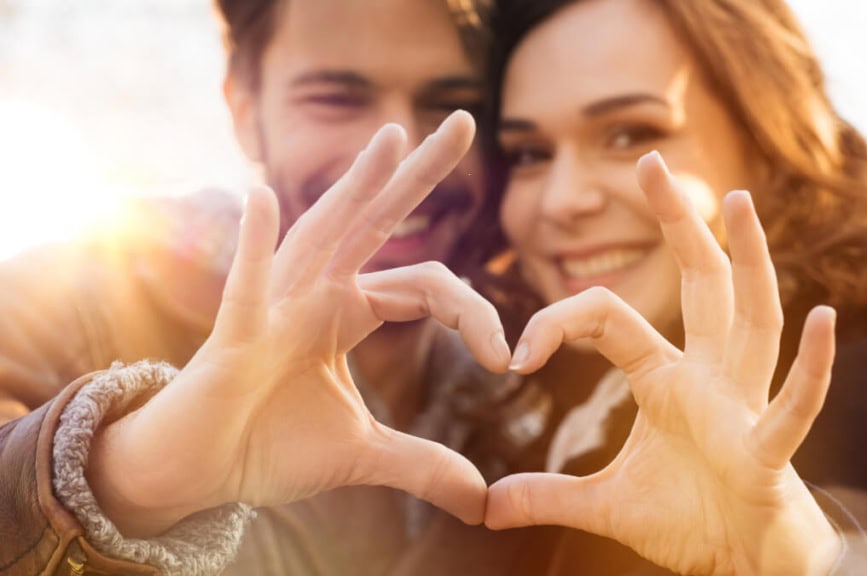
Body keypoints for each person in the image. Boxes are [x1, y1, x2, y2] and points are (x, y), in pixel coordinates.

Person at [413, 0, 867, 574]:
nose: (562, 199)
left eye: (629, 135)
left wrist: (798, 555)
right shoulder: (547, 417)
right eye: (529, 153)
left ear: (766, 140)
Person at [0, 0, 506, 574]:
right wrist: (122, 481)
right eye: (336, 99)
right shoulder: (63, 295)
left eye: (450, 105)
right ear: (243, 109)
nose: (403, 151)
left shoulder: (524, 388)